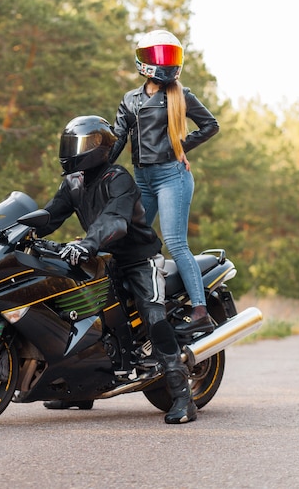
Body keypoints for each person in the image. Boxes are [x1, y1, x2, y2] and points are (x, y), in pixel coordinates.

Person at [39, 115, 197, 424]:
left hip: (138, 259)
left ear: (98, 147)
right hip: (102, 258)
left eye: (78, 145)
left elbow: (114, 221)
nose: (71, 151)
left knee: (153, 314)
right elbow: (49, 216)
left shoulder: (118, 178)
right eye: (69, 144)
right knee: (75, 311)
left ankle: (182, 395)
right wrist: (16, 229)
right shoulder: (73, 182)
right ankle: (81, 389)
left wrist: (87, 243)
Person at [110, 29, 219, 336]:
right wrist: (96, 169)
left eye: (170, 56)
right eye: (159, 56)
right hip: (142, 178)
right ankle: (132, 307)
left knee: (175, 242)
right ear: (143, 62)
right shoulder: (130, 100)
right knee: (127, 241)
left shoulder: (180, 95)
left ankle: (200, 310)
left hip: (172, 176)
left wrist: (181, 146)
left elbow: (211, 125)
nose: (165, 63)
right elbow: (118, 139)